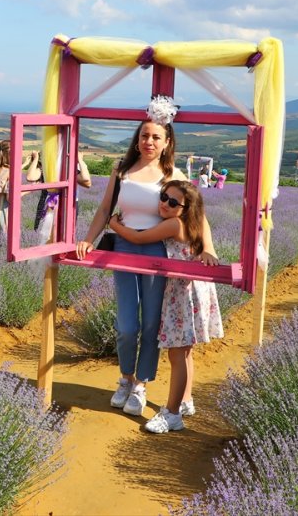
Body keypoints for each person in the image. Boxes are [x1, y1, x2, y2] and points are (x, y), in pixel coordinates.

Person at [75, 96, 186, 416]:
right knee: (126, 324)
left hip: (155, 252)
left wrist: (205, 247)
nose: (148, 141)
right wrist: (87, 239)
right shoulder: (121, 169)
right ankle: (124, 378)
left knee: (151, 323)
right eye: (144, 135)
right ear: (137, 140)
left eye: (155, 137)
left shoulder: (173, 174)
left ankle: (141, 383)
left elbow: (189, 216)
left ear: (166, 143)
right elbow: (105, 208)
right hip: (123, 249)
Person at [108, 180, 222, 433]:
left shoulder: (173, 224)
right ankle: (186, 401)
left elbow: (138, 238)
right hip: (194, 290)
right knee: (186, 352)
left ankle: (171, 414)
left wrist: (114, 224)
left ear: (185, 208)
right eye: (163, 196)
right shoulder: (192, 223)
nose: (164, 203)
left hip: (182, 294)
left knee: (177, 354)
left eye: (173, 202)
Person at [26, 149, 92, 234]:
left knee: (64, 233)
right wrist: (35, 159)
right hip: (47, 204)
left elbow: (87, 181)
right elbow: (30, 177)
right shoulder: (46, 169)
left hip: (67, 205)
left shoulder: (69, 170)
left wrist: (80, 160)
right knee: (42, 234)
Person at [0, 139, 32, 237]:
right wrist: (30, 189)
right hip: (4, 216)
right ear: (9, 155)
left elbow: (6, 174)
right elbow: (11, 198)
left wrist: (23, 165)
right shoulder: (11, 173)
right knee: (6, 248)